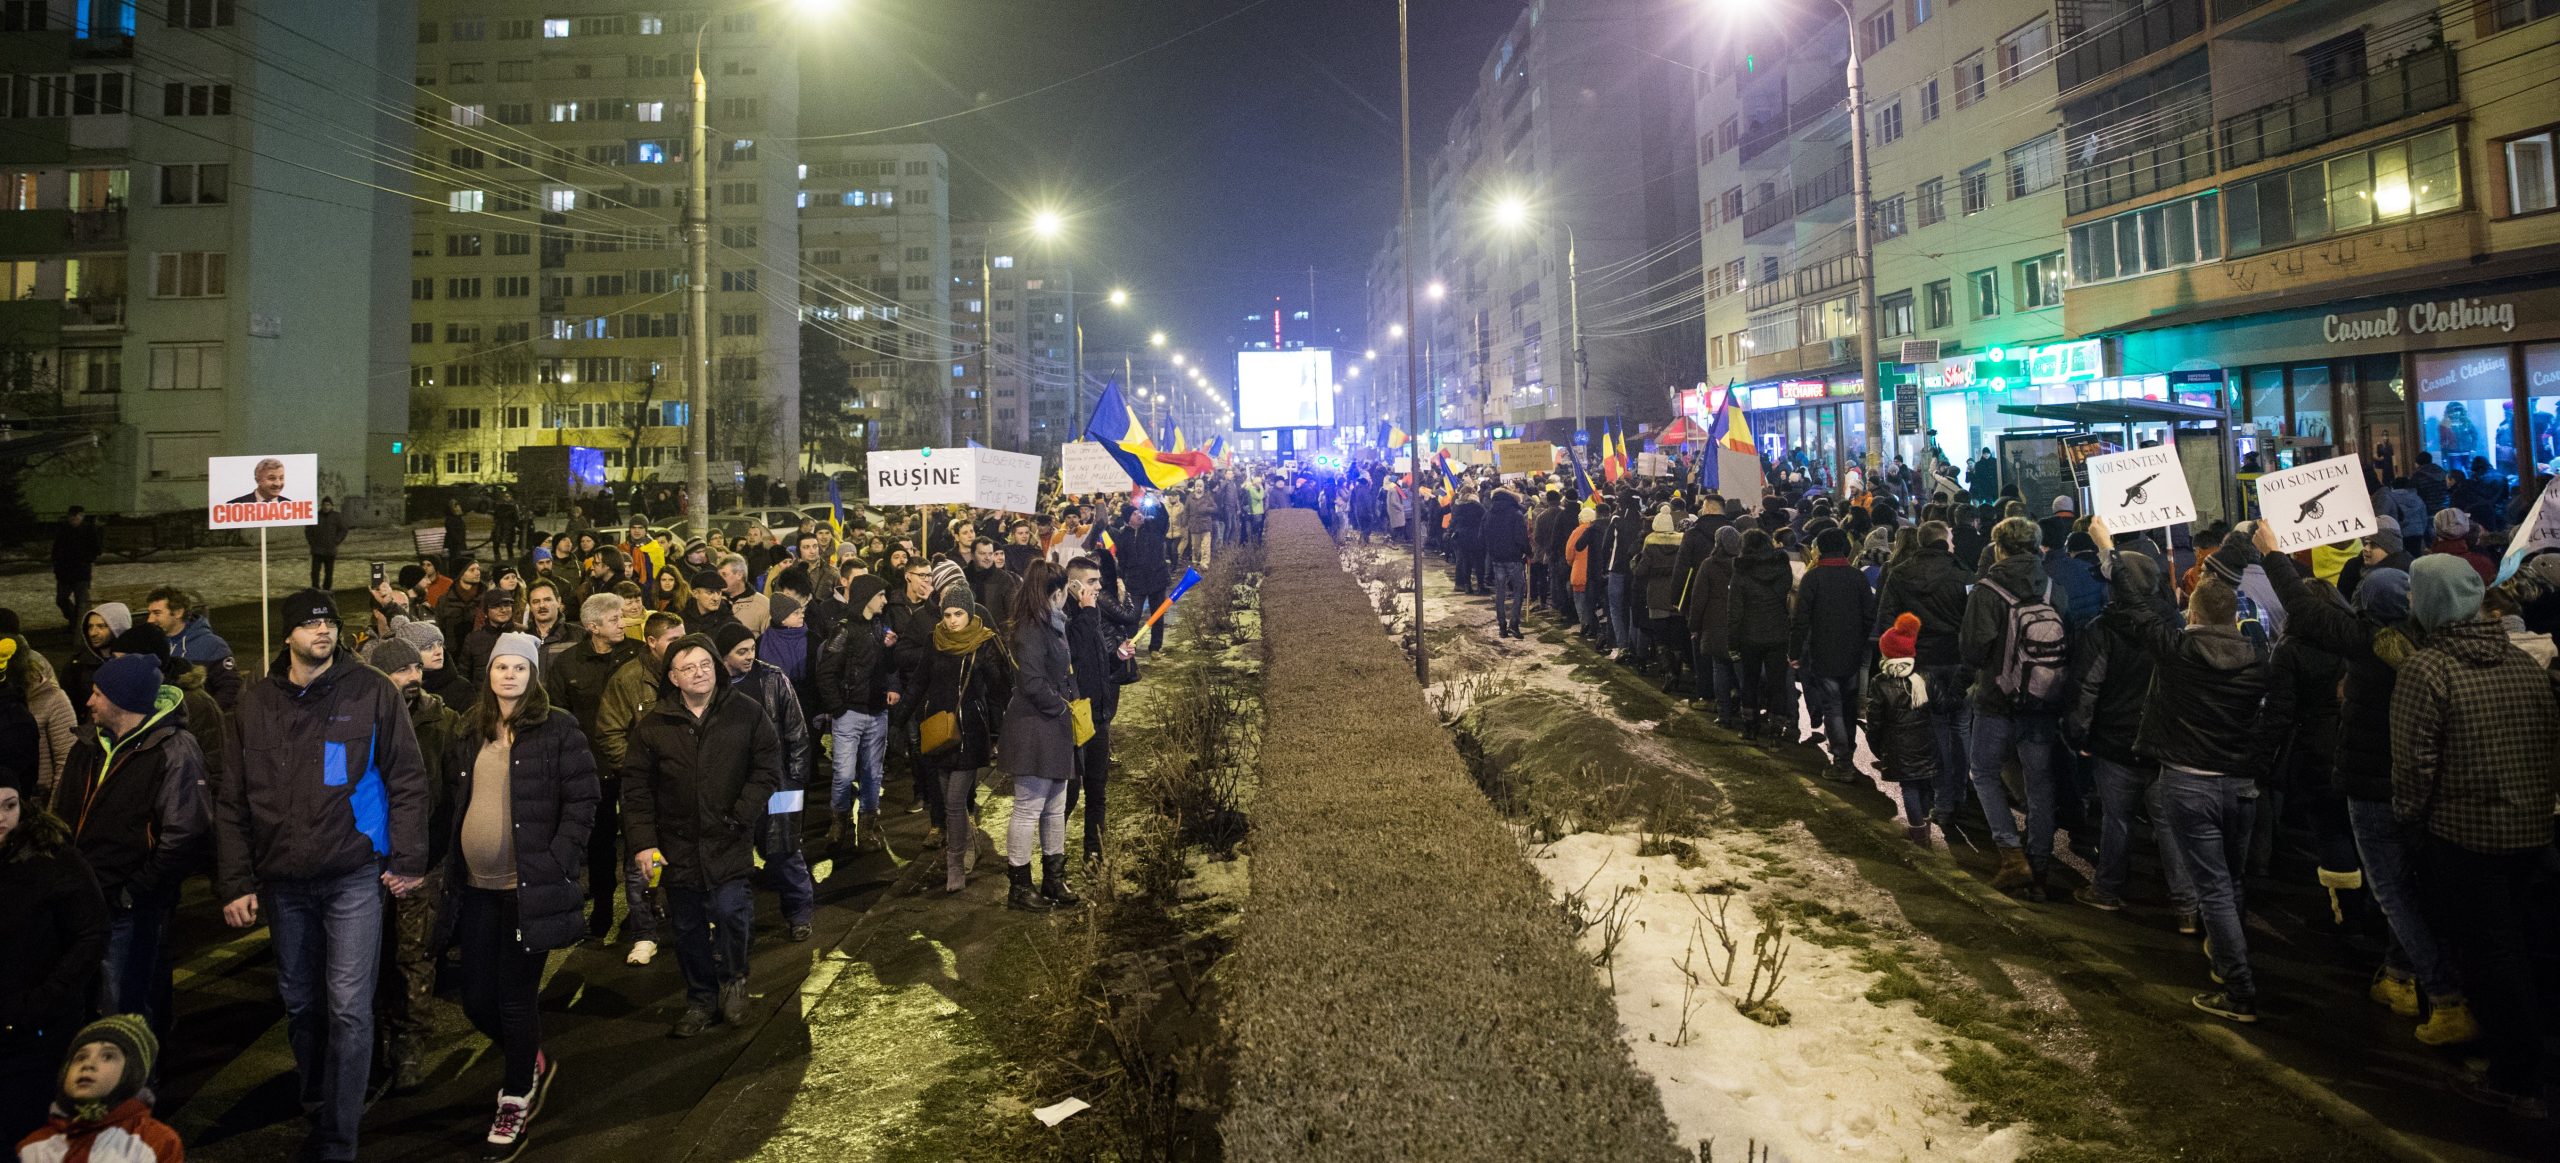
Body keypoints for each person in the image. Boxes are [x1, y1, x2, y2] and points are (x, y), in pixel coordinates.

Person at [211, 588, 429, 1163]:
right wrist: (235, 881)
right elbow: (231, 800)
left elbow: (407, 779)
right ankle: (317, 1098)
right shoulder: (254, 704)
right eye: (310, 625)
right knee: (301, 1003)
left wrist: (407, 859)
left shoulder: (372, 691)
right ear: (288, 635)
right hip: (283, 880)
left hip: (352, 873)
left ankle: (338, 1135)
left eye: (329, 623)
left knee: (349, 1006)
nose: (323, 632)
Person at [2388, 555, 2558, 1117]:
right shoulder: (2523, 664)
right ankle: (2526, 1060)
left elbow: (2414, 766)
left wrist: (2410, 823)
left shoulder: (2427, 670)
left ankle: (2515, 1078)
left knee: (2488, 957)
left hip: (2463, 837)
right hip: (2530, 832)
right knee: (2521, 946)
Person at [2091, 519, 2272, 1022]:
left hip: (2191, 782)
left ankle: (2238, 988)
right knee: (2232, 882)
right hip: (2241, 786)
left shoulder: (2178, 652)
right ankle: (2224, 957)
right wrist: (2249, 541)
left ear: (2191, 613)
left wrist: (2109, 551)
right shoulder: (2258, 660)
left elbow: (2137, 605)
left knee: (2212, 888)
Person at [445, 632, 596, 1157]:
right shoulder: (471, 728)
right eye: (500, 666)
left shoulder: (559, 728)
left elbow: (583, 799)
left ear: (533, 676)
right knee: (475, 998)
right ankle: (527, 1057)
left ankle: (515, 1097)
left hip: (526, 888)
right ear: (488, 673)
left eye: (519, 668)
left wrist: (558, 858)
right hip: (476, 888)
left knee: (514, 998)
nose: (509, 675)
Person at [621, 633, 780, 1038]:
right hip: (677, 843)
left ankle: (734, 980)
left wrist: (742, 813)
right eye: (688, 668)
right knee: (687, 925)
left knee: (731, 912)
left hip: (728, 836)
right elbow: (636, 789)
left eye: (705, 664)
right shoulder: (654, 726)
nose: (699, 673)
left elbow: (766, 767)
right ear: (673, 677)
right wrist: (644, 842)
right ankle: (701, 999)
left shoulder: (746, 712)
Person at [54, 654, 210, 1046]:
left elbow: (185, 834)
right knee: (83, 1002)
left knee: (124, 1006)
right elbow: (63, 816)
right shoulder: (87, 744)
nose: (88, 701)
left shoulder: (173, 750)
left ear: (123, 699)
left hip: (129, 907)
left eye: (98, 693)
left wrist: (134, 892)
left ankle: (136, 1080)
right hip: (82, 899)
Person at [358, 634, 464, 1096]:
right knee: (367, 957)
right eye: (401, 670)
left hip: (422, 860)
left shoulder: (445, 722)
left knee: (414, 955)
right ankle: (368, 1046)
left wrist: (428, 854)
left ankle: (410, 1045)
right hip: (366, 859)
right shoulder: (359, 720)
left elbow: (454, 795)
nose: (413, 677)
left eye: (416, 668)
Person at [2065, 551, 2192, 923]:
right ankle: (2187, 906)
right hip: (2164, 742)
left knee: (2116, 820)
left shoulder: (2104, 628)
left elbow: (2087, 688)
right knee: (2167, 824)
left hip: (2116, 743)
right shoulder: (2175, 623)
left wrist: (2077, 735)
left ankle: (2107, 889)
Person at [0, 782, 108, 1153]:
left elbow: (91, 935)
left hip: (37, 1033)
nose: (1, 818)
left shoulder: (54, 859)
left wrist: (45, 999)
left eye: (9, 805)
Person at [714, 623, 815, 943]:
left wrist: (795, 780)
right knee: (735, 858)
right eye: (740, 651)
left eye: (752, 649)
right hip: (735, 787)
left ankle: (799, 914)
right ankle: (739, 929)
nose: (749, 656)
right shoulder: (713, 686)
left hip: (780, 782)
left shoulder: (773, 678)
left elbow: (797, 732)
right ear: (723, 656)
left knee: (786, 850)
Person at [591, 609, 682, 964]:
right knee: (642, 860)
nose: (682, 645)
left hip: (683, 784)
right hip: (644, 788)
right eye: (674, 640)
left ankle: (688, 921)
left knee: (685, 855)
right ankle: (644, 934)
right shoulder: (628, 679)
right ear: (652, 641)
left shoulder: (688, 670)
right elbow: (608, 731)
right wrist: (636, 771)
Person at [915, 582, 1012, 893]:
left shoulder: (984, 642)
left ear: (970, 613)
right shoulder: (935, 640)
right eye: (947, 614)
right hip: (939, 731)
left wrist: (1000, 733)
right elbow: (919, 682)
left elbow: (1002, 691)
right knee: (948, 801)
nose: (952, 620)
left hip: (971, 732)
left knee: (955, 802)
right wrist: (900, 721)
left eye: (958, 613)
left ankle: (954, 864)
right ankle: (970, 845)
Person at [999, 562, 1081, 912]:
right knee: (1028, 809)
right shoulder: (1032, 629)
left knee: (1054, 808)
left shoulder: (1051, 623)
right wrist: (1061, 707)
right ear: (1056, 593)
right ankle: (1019, 886)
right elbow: (1032, 682)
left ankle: (1053, 878)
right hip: (1035, 727)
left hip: (1052, 726)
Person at [15, 1015, 183, 1163]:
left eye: (108, 1056)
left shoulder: (155, 1142)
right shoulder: (32, 1147)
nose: (88, 1064)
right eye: (80, 1057)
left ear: (131, 1073)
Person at [1060, 557, 1139, 860]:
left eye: (1098, 581)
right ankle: (1054, 858)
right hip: (1074, 719)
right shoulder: (1065, 617)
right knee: (1068, 795)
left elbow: (1098, 666)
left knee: (1097, 790)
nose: (1098, 587)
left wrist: (1116, 657)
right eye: (1092, 581)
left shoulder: (1092, 613)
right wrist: (1086, 613)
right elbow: (1073, 659)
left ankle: (1094, 853)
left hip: (1099, 717)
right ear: (1074, 584)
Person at [817, 576, 897, 855]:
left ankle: (867, 827)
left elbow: (889, 669)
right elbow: (826, 672)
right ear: (866, 597)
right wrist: (839, 708)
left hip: (876, 713)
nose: (884, 601)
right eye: (880, 595)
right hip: (850, 713)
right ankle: (839, 823)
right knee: (843, 773)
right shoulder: (844, 630)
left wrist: (890, 650)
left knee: (873, 774)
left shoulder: (880, 627)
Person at [1792, 527, 1876, 778]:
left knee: (1833, 705)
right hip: (1852, 651)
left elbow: (1801, 619)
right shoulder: (1857, 577)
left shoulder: (1813, 578)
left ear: (1820, 548)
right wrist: (1859, 639)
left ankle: (1842, 759)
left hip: (1823, 649)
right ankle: (1847, 749)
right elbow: (1869, 615)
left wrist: (1794, 651)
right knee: (1848, 704)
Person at [1864, 613, 1939, 843]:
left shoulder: (1880, 682)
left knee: (1910, 787)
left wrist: (1876, 745)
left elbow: (1874, 719)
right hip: (1925, 742)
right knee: (1924, 784)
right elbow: (1941, 704)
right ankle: (1925, 825)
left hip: (1898, 746)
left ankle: (1917, 831)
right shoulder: (1924, 677)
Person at [1727, 528, 1795, 743]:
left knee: (1750, 681)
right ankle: (1776, 731)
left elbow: (1735, 611)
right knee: (1778, 683)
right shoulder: (1782, 567)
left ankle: (1750, 727)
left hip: (1749, 634)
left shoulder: (1741, 571)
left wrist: (1732, 642)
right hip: (1778, 632)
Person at [1683, 525, 1743, 726]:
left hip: (1715, 625)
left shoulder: (1709, 565)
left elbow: (1698, 598)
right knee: (1741, 671)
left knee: (1720, 669)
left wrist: (1694, 626)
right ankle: (1747, 714)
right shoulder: (1744, 564)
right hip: (1740, 625)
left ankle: (1724, 714)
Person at [143, 587, 239, 711]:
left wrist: (205, 714)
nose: (150, 620)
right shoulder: (151, 643)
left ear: (178, 612)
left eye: (157, 613)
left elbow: (231, 687)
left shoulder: (212, 645)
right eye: (149, 613)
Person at [1119, 506, 1173, 652]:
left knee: (1157, 615)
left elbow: (1164, 520)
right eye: (1134, 513)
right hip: (1136, 582)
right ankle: (1131, 646)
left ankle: (1155, 647)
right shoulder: (1123, 536)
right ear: (1128, 519)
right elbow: (1122, 561)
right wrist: (1121, 578)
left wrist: (1158, 505)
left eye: (1139, 512)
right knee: (1133, 616)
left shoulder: (1152, 527)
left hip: (1156, 579)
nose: (1139, 515)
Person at [1482, 487, 1532, 639]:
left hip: (1497, 558)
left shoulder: (1489, 514)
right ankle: (1514, 623)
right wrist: (1528, 552)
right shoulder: (1516, 514)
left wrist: (1491, 550)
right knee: (1518, 590)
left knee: (1500, 592)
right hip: (1514, 558)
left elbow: (1482, 535)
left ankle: (1502, 625)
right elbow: (1521, 537)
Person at [52, 507, 102, 629]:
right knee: (61, 599)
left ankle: (80, 626)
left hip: (81, 572)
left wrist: (86, 560)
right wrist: (57, 564)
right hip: (64, 572)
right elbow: (56, 549)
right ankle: (75, 620)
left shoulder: (89, 530)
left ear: (82, 516)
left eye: (77, 516)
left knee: (81, 602)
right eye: (72, 516)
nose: (74, 519)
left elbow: (96, 549)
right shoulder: (63, 530)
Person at [306, 497, 349, 591]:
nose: (326, 507)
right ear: (321, 506)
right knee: (315, 571)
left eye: (328, 505)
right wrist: (312, 542)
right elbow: (308, 530)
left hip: (330, 550)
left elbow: (343, 530)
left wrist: (336, 540)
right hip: (317, 549)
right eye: (324, 505)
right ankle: (315, 588)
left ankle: (327, 588)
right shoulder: (315, 516)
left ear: (332, 506)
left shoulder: (336, 516)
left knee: (329, 572)